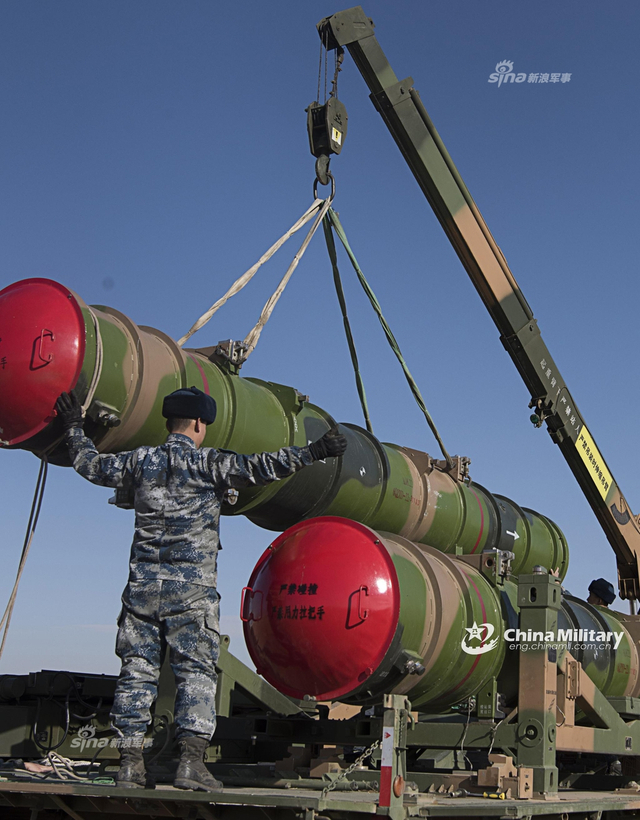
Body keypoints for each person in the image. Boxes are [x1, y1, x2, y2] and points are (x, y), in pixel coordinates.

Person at [55, 387, 347, 792]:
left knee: (136, 674)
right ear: (198, 423)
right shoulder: (210, 464)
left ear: (170, 422)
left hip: (141, 591)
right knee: (195, 673)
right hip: (190, 594)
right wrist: (315, 452)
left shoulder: (140, 461)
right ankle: (191, 763)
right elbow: (263, 467)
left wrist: (73, 427)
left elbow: (89, 465)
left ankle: (129, 765)